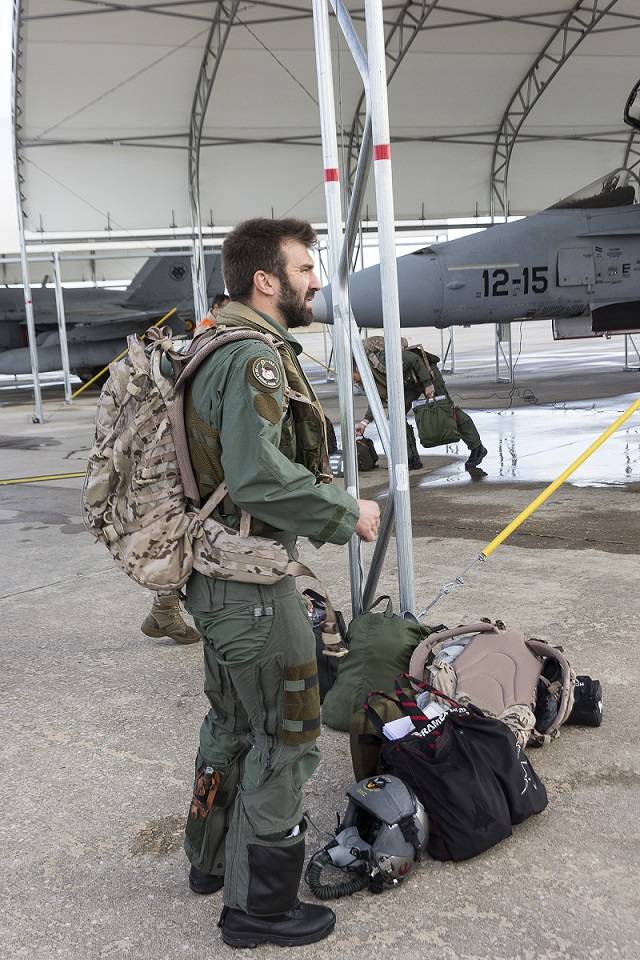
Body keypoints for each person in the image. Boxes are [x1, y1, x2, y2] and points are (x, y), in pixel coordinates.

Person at [180, 218, 380, 948]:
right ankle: (258, 910)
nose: (315, 279)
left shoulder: (210, 343)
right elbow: (259, 475)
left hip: (217, 580)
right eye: (304, 267)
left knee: (231, 726)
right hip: (252, 588)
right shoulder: (253, 359)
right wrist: (343, 511)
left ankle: (206, 864)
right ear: (266, 280)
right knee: (288, 738)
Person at [355, 336, 487, 470]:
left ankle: (477, 448)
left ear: (356, 369)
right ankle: (412, 459)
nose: (355, 382)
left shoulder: (381, 360)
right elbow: (376, 397)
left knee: (446, 410)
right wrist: (365, 422)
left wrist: (428, 384)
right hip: (410, 383)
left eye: (354, 378)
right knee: (396, 416)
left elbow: (414, 359)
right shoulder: (370, 373)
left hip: (426, 374)